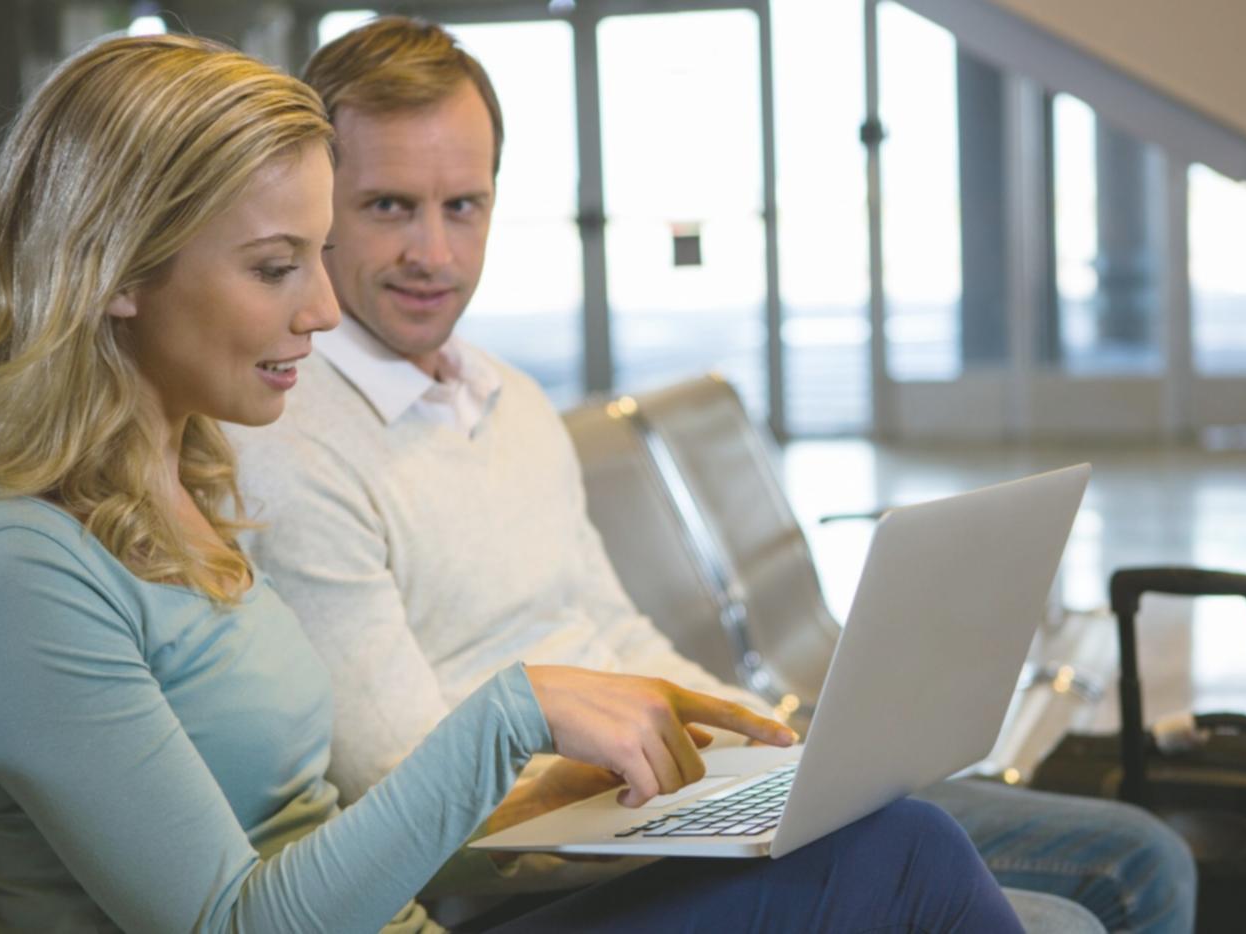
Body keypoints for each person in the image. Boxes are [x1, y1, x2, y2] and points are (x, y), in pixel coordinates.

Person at [0, 33, 1027, 934]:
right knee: (908, 859)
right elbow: (235, 920)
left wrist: (660, 773)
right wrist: (515, 715)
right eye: (274, 267)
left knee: (896, 847)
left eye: (318, 256)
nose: (317, 308)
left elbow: (312, 831)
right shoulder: (25, 568)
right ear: (117, 271)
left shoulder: (186, 476)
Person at [230, 16, 1195, 933]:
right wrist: (672, 792)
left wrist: (770, 752)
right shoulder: (295, 443)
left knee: (1141, 858)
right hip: (543, 865)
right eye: (389, 206)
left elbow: (611, 627)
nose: (433, 253)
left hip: (659, 801)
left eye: (463, 205)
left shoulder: (506, 397)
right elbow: (406, 789)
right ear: (319, 209)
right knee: (1029, 893)